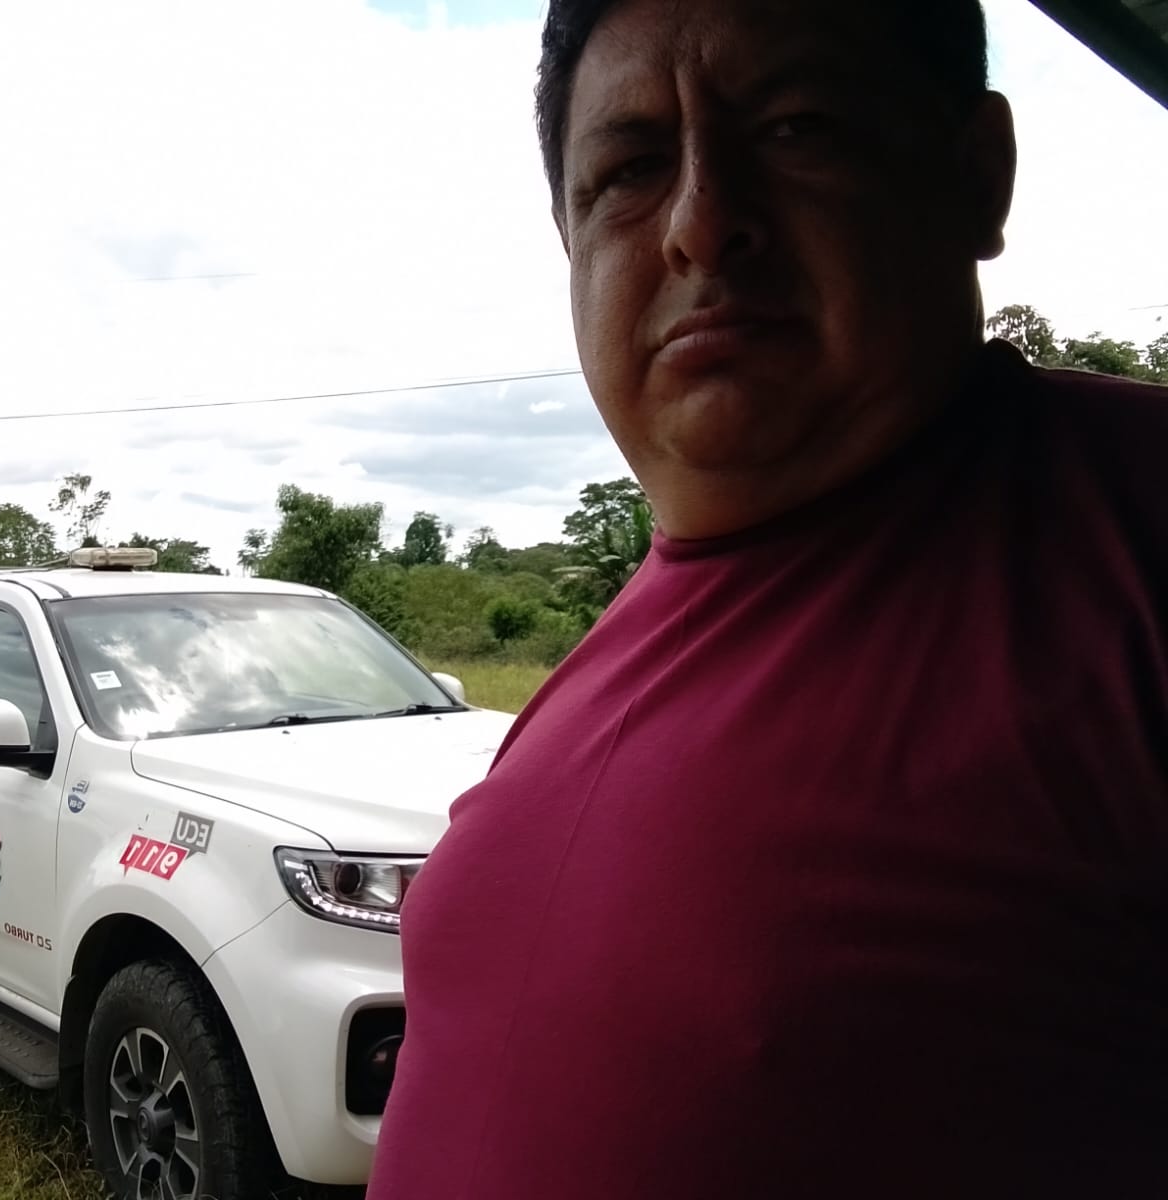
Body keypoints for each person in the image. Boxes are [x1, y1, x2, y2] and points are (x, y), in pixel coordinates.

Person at [366, 0, 1168, 1196]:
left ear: (976, 175)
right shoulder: (622, 644)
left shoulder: (1129, 538)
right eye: (630, 170)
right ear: (570, 241)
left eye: (798, 127)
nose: (700, 223)